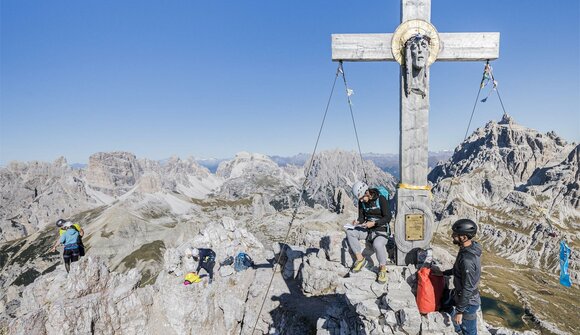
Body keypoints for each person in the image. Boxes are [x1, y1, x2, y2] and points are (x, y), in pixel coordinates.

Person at [438, 219, 482, 335]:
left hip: (468, 302)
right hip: (460, 295)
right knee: (444, 301)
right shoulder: (467, 248)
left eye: (455, 234)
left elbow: (468, 287)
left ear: (464, 237)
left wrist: (460, 311)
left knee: (469, 331)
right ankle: (458, 330)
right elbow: (458, 270)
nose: (452, 236)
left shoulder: (467, 259)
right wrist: (444, 273)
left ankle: (461, 330)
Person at [345, 181, 392, 284]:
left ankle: (382, 269)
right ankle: (360, 259)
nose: (361, 201)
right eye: (359, 199)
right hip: (368, 229)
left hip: (381, 230)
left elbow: (388, 217)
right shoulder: (361, 202)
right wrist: (358, 222)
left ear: (367, 192)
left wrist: (374, 223)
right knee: (350, 232)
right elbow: (362, 217)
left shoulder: (381, 199)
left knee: (377, 244)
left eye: (362, 198)